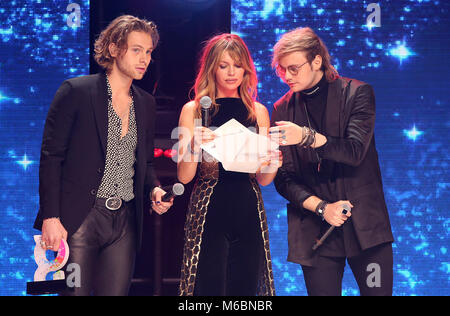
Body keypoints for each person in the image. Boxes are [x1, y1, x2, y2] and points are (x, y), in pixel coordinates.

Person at [33, 15, 173, 296]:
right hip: (80, 218)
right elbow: (51, 156)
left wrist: (155, 190)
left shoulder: (145, 103)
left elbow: (144, 163)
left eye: (148, 52)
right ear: (113, 49)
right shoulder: (77, 91)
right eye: (136, 50)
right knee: (74, 293)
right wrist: (51, 216)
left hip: (124, 221)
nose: (144, 58)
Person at [269, 27, 394, 296]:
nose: (287, 77)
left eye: (293, 68)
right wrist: (322, 208)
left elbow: (354, 151)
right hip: (315, 228)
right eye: (281, 70)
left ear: (316, 61)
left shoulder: (357, 93)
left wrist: (306, 136)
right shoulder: (282, 108)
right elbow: (284, 179)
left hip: (365, 227)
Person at [177, 34, 281, 296]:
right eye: (224, 66)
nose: (231, 72)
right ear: (212, 68)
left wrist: (274, 161)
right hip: (210, 205)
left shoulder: (258, 112)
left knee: (245, 288)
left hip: (248, 206)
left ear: (246, 68)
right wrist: (192, 146)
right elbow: (185, 177)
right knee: (208, 287)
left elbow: (264, 178)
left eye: (237, 65)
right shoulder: (194, 110)